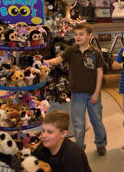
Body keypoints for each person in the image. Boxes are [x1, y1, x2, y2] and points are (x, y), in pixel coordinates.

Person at [46, 23, 107, 155]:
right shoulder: (71, 51)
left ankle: (101, 144)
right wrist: (44, 62)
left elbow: (100, 72)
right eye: (76, 34)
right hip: (77, 94)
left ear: (90, 36)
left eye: (81, 34)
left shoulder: (96, 53)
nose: (77, 37)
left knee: (97, 121)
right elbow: (58, 60)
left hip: (93, 94)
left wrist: (97, 93)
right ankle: (79, 148)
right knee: (78, 123)